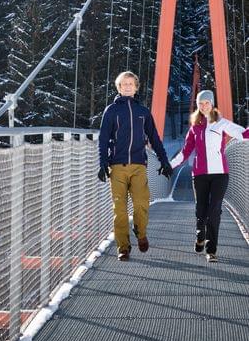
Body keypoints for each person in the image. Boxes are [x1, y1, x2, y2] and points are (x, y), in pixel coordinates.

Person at [98, 71, 172, 261]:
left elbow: (154, 139)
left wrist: (164, 160)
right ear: (119, 87)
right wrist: (102, 162)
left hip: (139, 165)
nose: (128, 86)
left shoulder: (143, 112)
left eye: (131, 83)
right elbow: (104, 138)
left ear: (136, 87)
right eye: (124, 84)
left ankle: (140, 232)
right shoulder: (111, 111)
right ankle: (123, 247)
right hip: (117, 167)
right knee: (120, 210)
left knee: (141, 204)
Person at [170, 89, 248, 263]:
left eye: (207, 102)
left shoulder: (222, 124)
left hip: (220, 174)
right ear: (198, 106)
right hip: (199, 174)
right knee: (201, 210)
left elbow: (243, 135)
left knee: (215, 211)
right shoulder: (194, 128)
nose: (204, 106)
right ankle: (200, 234)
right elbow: (185, 152)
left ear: (212, 104)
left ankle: (211, 250)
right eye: (200, 103)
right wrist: (169, 166)